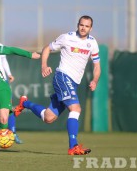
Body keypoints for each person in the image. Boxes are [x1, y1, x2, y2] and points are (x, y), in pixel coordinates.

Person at [14, 15, 101, 155]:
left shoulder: (93, 43)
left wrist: (95, 80)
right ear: (78, 24)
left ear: (91, 28)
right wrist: (44, 65)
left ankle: (25, 104)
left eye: (87, 26)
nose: (83, 28)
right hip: (62, 77)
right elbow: (47, 48)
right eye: (81, 25)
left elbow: (97, 66)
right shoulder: (67, 37)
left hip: (73, 83)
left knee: (48, 118)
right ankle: (73, 146)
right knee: (76, 108)